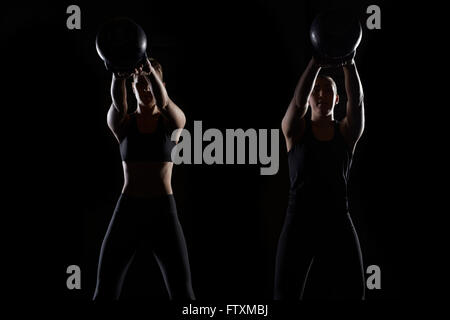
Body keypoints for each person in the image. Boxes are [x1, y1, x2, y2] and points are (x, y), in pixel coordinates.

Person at [93, 57, 195, 300]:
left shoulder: (173, 122)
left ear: (161, 84)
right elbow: (118, 103)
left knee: (183, 293)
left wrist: (149, 72)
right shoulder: (123, 122)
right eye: (139, 84)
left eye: (151, 83)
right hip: (128, 209)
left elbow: (165, 101)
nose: (145, 88)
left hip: (163, 212)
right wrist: (118, 75)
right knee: (104, 290)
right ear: (132, 87)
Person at [274, 52, 366, 299]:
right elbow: (297, 100)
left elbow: (356, 100)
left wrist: (349, 63)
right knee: (284, 295)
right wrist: (315, 62)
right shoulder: (294, 131)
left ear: (337, 99)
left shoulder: (347, 132)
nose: (322, 95)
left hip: (337, 219)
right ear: (310, 97)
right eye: (317, 90)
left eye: (328, 91)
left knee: (355, 293)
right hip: (299, 221)